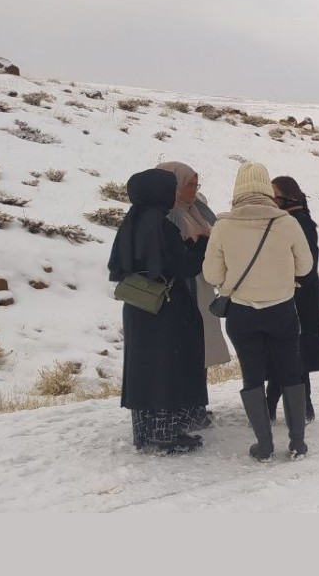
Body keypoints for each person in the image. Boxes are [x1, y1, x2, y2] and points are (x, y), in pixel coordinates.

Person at [203, 162, 314, 461]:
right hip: (282, 311)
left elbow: (212, 275)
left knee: (251, 376)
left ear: (237, 188)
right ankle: (297, 443)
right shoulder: (287, 223)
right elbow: (305, 267)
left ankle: (263, 444)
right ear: (267, 188)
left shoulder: (224, 225)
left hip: (242, 313)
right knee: (290, 371)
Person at [108, 168, 206, 454]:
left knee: (143, 369)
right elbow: (182, 265)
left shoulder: (131, 220)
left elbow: (125, 263)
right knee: (167, 367)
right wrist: (201, 249)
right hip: (166, 305)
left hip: (137, 305)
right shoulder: (162, 225)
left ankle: (144, 432)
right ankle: (166, 434)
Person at [156, 161, 231, 430]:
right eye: (189, 184)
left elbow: (217, 230)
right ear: (173, 185)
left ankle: (198, 406)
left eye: (197, 184)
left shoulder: (195, 208)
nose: (194, 189)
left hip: (201, 287)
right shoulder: (166, 214)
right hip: (181, 291)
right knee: (185, 351)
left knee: (200, 350)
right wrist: (202, 251)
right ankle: (184, 409)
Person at [265, 176, 319, 424]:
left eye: (274, 194)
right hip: (297, 293)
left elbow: (305, 266)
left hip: (299, 295)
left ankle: (292, 404)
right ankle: (299, 404)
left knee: (292, 350)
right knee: (291, 350)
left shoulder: (298, 223)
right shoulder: (293, 220)